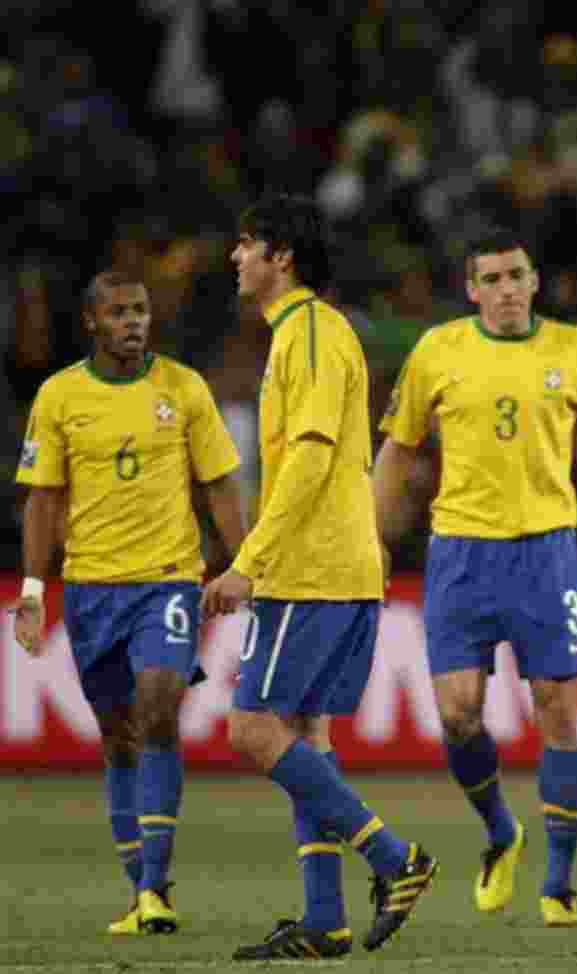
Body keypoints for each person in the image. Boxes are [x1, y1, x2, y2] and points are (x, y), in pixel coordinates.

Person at [373, 228, 577, 926]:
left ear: (535, 280)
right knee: (457, 712)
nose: (507, 288)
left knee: (556, 705)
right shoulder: (438, 352)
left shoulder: (573, 351)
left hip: (546, 553)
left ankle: (560, 883)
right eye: (493, 278)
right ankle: (500, 833)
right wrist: (371, 540)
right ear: (472, 288)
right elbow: (397, 452)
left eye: (517, 275)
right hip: (460, 551)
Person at [201, 194, 437, 962]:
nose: (235, 257)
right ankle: (325, 919)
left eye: (246, 243)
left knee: (252, 728)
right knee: (303, 733)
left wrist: (249, 561)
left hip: (313, 568)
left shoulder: (305, 332)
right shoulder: (317, 334)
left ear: (282, 257)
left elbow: (307, 456)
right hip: (338, 561)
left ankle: (395, 858)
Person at [12, 270, 246, 935]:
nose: (133, 322)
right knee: (118, 737)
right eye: (118, 313)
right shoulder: (59, 396)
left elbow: (219, 485)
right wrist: (33, 593)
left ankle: (155, 887)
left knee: (159, 702)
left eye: (140, 310)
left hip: (169, 580)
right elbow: (44, 500)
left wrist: (249, 564)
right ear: (92, 321)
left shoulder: (184, 388)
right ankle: (140, 889)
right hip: (91, 590)